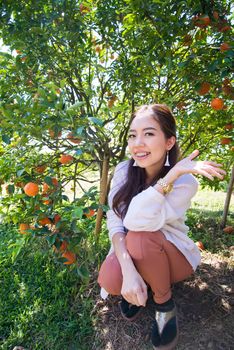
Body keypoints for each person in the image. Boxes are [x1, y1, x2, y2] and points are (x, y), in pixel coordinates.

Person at [97, 104, 226, 350]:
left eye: (148, 134)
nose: (137, 143)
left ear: (169, 142)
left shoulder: (185, 181)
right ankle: (141, 282)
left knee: (140, 236)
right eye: (133, 135)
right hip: (135, 249)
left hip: (172, 257)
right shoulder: (124, 171)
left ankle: (164, 305)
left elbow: (136, 222)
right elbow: (115, 221)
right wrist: (128, 270)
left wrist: (168, 179)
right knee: (111, 279)